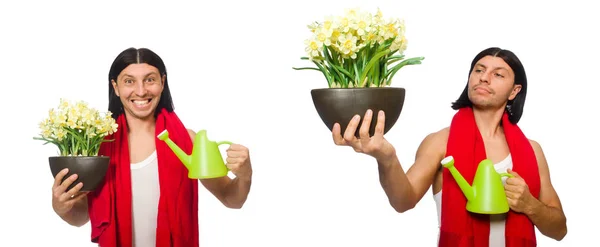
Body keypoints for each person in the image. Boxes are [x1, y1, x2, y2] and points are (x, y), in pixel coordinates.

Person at [331, 47, 567, 246]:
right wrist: (387, 158)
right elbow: (403, 202)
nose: (484, 78)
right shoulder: (440, 142)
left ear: (515, 91)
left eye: (499, 74)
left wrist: (530, 205)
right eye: (479, 70)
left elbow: (559, 230)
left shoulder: (532, 150)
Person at [50, 47, 253, 247]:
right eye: (129, 81)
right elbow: (81, 217)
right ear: (115, 87)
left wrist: (244, 175)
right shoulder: (97, 145)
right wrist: (61, 207)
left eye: (150, 80)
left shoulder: (187, 141)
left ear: (162, 83)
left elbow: (231, 199)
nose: (141, 91)